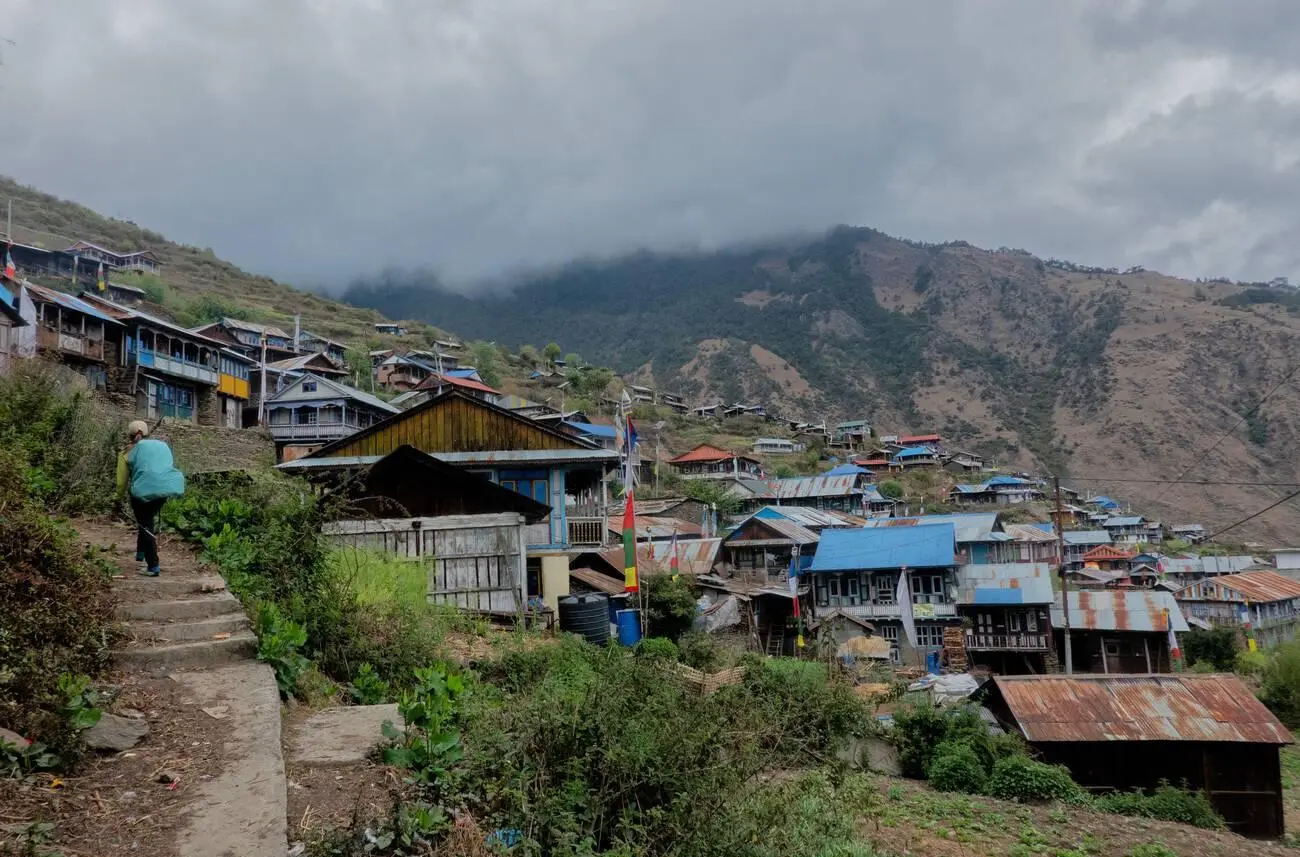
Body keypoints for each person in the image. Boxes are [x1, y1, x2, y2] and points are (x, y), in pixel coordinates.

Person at [116, 420, 185, 577]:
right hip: (164, 490)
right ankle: (140, 553)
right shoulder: (161, 445)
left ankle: (153, 565)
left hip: (142, 493)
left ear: (129, 435)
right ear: (147, 433)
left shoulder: (127, 452)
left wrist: (117, 498)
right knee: (146, 521)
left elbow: (121, 483)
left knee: (145, 525)